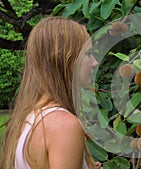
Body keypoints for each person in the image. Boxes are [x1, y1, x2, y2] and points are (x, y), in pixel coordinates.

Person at [0, 16, 100, 169]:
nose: (95, 62)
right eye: (87, 54)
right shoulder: (64, 125)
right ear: (65, 60)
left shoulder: (25, 120)